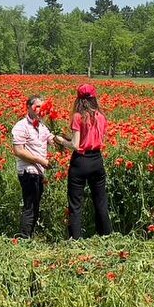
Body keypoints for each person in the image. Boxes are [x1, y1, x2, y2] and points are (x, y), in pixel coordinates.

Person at [51, 84, 113, 239]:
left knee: (76, 204)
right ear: (94, 98)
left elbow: (76, 145)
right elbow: (93, 138)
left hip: (81, 161)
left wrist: (60, 139)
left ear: (78, 99)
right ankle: (105, 236)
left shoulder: (78, 116)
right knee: (100, 201)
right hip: (97, 160)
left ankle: (76, 240)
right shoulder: (101, 117)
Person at [11, 94, 52, 238]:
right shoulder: (21, 126)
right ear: (28, 107)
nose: (41, 109)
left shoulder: (41, 126)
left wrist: (70, 142)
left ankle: (29, 236)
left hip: (39, 172)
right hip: (28, 172)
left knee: (35, 205)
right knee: (30, 206)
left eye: (43, 106)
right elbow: (18, 151)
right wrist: (41, 161)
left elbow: (52, 139)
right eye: (38, 106)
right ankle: (23, 238)